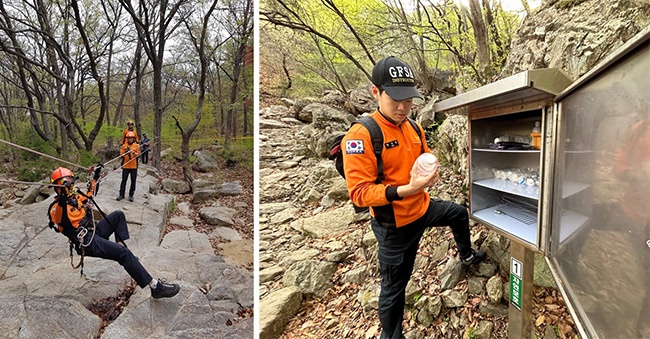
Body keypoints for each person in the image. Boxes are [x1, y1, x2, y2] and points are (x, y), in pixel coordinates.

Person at [341, 56, 485, 339]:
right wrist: (406, 189)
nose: (402, 107)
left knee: (457, 213)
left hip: (422, 208)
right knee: (395, 287)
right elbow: (359, 194)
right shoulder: (362, 135)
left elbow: (424, 155)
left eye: (408, 100)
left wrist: (431, 168)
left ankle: (466, 256)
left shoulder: (413, 127)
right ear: (375, 92)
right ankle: (391, 335)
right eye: (395, 98)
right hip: (394, 226)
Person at [48, 166, 180, 299]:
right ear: (56, 188)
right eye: (63, 186)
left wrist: (95, 177)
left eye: (69, 184)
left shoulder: (74, 197)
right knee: (124, 254)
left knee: (118, 216)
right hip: (87, 242)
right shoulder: (55, 208)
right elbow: (60, 215)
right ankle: (154, 286)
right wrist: (63, 198)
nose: (67, 188)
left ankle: (122, 251)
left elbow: (89, 194)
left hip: (94, 230)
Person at [118, 131, 140, 202]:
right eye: (129, 138)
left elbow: (139, 154)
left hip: (134, 166)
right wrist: (124, 154)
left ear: (133, 139)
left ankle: (131, 195)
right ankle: (121, 194)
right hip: (126, 166)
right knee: (124, 180)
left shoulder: (136, 146)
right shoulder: (124, 146)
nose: (130, 139)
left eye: (131, 138)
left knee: (133, 181)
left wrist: (133, 152)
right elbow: (121, 154)